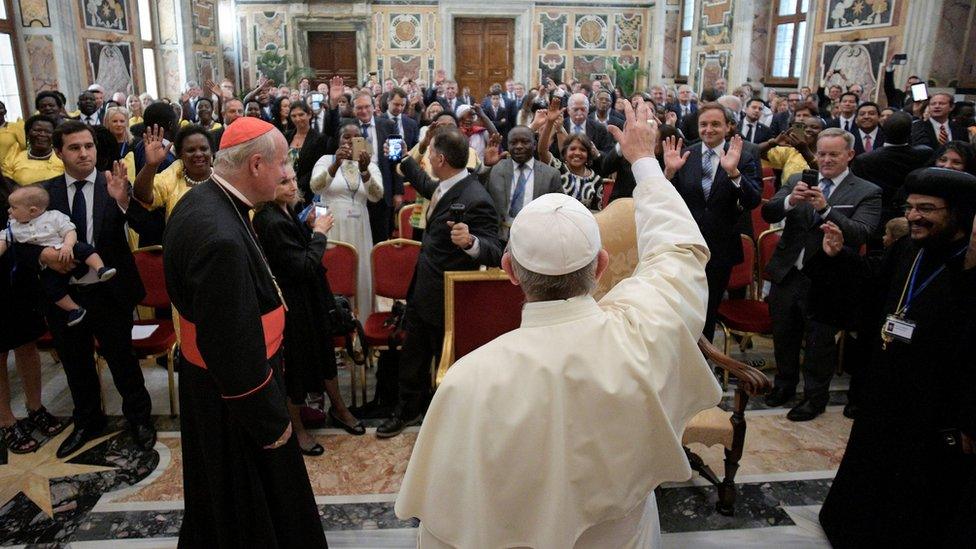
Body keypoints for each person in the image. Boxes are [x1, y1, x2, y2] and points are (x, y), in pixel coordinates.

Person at [395, 99, 722, 547]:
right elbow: (679, 252)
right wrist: (645, 162)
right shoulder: (645, 330)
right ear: (602, 264)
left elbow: (445, 528)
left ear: (510, 270)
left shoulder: (467, 379)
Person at [162, 117, 327, 547]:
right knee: (252, 509)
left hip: (216, 382)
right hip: (239, 401)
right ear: (256, 164)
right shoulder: (221, 238)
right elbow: (232, 348)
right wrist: (272, 422)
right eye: (283, 165)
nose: (288, 174)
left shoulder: (203, 200)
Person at [813, 167, 976, 546]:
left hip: (936, 402)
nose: (914, 216)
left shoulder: (968, 267)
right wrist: (839, 258)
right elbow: (873, 285)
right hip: (886, 383)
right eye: (911, 207)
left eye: (927, 209)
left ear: (958, 214)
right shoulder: (909, 248)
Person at [33, 121, 155, 457]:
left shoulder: (111, 183)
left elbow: (147, 228)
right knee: (76, 364)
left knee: (123, 360)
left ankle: (140, 419)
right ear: (59, 153)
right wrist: (43, 254)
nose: (84, 153)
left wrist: (123, 201)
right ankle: (88, 421)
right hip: (65, 297)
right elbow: (21, 238)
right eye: (74, 147)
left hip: (109, 292)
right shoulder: (45, 193)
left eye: (88, 146)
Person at [376, 127, 502, 437]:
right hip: (424, 288)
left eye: (430, 152)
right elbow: (420, 180)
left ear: (441, 158)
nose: (427, 157)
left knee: (444, 362)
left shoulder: (476, 197)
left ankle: (444, 420)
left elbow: (495, 249)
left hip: (450, 296)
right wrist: (411, 152)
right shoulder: (446, 185)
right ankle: (407, 411)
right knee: (413, 356)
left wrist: (471, 241)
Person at [762, 128, 882, 421]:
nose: (826, 160)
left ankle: (814, 398)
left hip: (829, 278)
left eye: (833, 154)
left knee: (820, 342)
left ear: (849, 155)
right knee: (784, 334)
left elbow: (861, 233)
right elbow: (770, 214)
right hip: (790, 271)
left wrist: (826, 209)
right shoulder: (796, 179)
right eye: (822, 153)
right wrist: (791, 200)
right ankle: (784, 385)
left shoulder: (867, 191)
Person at [253, 169, 364, 456]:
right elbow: (304, 264)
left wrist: (310, 226)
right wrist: (319, 233)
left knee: (325, 354)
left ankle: (339, 409)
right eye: (283, 182)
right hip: (293, 302)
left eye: (292, 180)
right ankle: (297, 428)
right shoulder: (269, 220)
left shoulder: (287, 210)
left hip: (311, 297)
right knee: (297, 366)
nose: (292, 186)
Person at [663, 103, 761, 341]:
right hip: (685, 247)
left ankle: (702, 367)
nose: (709, 129)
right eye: (703, 124)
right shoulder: (685, 155)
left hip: (720, 250)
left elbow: (752, 201)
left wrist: (733, 172)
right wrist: (668, 174)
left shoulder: (743, 156)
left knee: (707, 311)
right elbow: (666, 200)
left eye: (715, 124)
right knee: (680, 309)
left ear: (728, 126)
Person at [1, 185, 117, 325]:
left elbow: (70, 231)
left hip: (67, 248)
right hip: (49, 268)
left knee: (84, 249)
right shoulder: (14, 227)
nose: (9, 211)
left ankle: (100, 268)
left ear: (32, 211)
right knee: (51, 287)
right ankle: (74, 309)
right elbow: (5, 242)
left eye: (13, 208)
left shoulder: (53, 216)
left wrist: (68, 245)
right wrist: (42, 255)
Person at [309, 123, 384, 317]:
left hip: (359, 226)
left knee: (360, 271)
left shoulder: (370, 165)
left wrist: (365, 171)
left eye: (356, 137)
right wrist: (335, 165)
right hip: (331, 223)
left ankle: (363, 323)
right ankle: (334, 322)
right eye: (346, 137)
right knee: (335, 270)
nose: (350, 141)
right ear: (338, 140)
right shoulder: (326, 160)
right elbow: (315, 187)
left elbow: (377, 195)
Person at [851, 111, 932, 230]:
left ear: (882, 130)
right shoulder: (924, 154)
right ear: (910, 132)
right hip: (912, 215)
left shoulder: (864, 160)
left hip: (876, 217)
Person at [487, 125, 562, 239]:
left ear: (534, 145)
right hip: (499, 238)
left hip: (536, 238)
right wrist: (487, 166)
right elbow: (479, 193)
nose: (519, 146)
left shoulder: (551, 175)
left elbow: (558, 211)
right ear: (508, 145)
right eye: (513, 142)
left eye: (525, 142)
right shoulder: (497, 168)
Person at [538, 100, 612, 211]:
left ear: (588, 154)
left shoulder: (596, 180)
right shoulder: (558, 168)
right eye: (572, 149)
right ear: (565, 152)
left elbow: (598, 213)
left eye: (582, 150)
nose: (577, 153)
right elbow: (542, 151)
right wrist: (549, 122)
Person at [348, 91, 399, 245]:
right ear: (353, 110)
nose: (363, 111)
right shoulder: (347, 126)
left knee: (380, 239)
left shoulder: (389, 125)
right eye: (359, 108)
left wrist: (397, 192)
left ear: (374, 107)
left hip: (381, 190)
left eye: (366, 107)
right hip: (355, 190)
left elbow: (395, 160)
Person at [133, 125, 214, 219]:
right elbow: (142, 196)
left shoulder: (223, 179)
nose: (199, 154)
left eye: (204, 149)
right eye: (191, 150)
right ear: (180, 155)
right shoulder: (172, 178)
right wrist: (151, 166)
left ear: (211, 152)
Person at [1, 115, 64, 186]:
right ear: (27, 134)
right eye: (37, 130)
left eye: (48, 131)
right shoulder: (14, 157)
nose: (42, 134)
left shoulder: (63, 158)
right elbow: (7, 181)